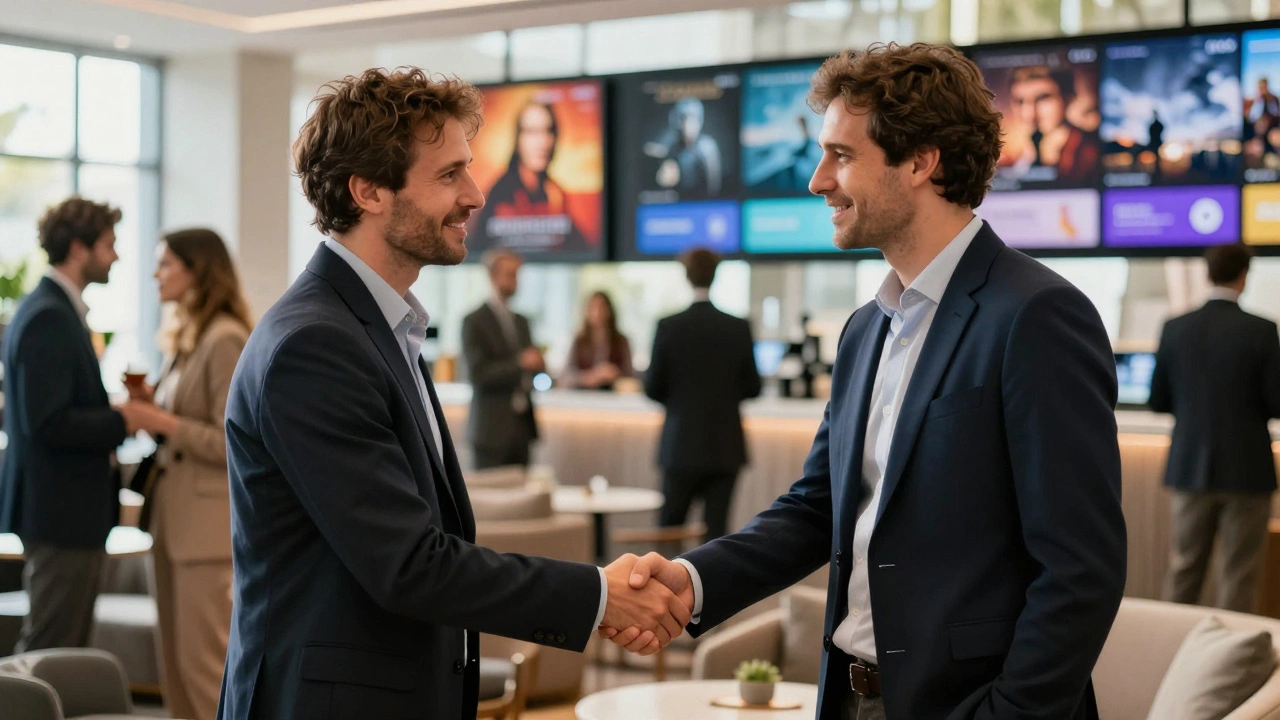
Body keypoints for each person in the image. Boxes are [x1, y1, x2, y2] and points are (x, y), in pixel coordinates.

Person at [606, 43, 1127, 720]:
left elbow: (1081, 573)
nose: (818, 180)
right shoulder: (865, 328)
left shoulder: (1037, 316)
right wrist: (690, 581)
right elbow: (817, 509)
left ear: (921, 161)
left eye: (842, 156)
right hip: (850, 701)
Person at [218, 68, 688, 720]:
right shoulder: (315, 345)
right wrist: (600, 594)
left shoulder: (376, 327)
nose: (474, 196)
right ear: (368, 191)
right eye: (448, 176)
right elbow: (410, 564)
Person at [115, 229, 251, 720]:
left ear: (198, 270)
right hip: (173, 525)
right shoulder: (189, 335)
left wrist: (162, 421)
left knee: (205, 672)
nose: (156, 274)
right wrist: (158, 414)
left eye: (166, 264)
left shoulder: (225, 338)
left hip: (206, 532)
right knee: (175, 672)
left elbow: (236, 442)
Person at [0, 196, 132, 654]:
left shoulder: (51, 309)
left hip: (62, 512)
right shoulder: (49, 316)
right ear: (79, 248)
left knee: (63, 649)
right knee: (49, 651)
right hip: (61, 514)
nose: (115, 256)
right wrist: (123, 420)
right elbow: (48, 422)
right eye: (109, 245)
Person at [1150, 243, 1280, 613]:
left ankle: (1171, 652)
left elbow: (1158, 401)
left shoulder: (1176, 328)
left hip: (1190, 466)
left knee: (1184, 568)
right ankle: (1230, 661)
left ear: (1207, 274)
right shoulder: (1262, 330)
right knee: (1239, 575)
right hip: (1248, 471)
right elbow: (1276, 402)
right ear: (1244, 276)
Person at [645, 249, 761, 542]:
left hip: (680, 443)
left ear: (686, 276)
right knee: (716, 534)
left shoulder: (669, 326)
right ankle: (708, 589)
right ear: (716, 275)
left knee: (669, 530)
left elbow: (651, 387)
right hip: (725, 446)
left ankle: (660, 588)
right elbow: (753, 387)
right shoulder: (737, 327)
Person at [470, 101, 588, 254]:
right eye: (531, 132)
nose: (542, 142)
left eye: (548, 131)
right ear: (518, 139)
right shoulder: (500, 195)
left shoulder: (556, 194)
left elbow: (580, 247)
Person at [462, 249, 543, 469]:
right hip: (490, 430)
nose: (515, 281)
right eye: (510, 274)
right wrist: (520, 364)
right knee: (490, 500)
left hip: (522, 428)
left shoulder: (522, 321)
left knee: (522, 498)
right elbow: (477, 374)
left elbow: (532, 371)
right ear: (493, 276)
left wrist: (539, 367)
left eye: (517, 275)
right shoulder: (474, 321)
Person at [1006, 65, 1101, 184]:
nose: (1029, 114)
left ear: (1068, 98)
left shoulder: (1089, 153)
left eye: (1042, 98)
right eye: (1020, 101)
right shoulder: (1016, 158)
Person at [562, 291, 634, 391]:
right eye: (594, 307)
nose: (598, 312)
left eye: (602, 307)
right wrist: (591, 376)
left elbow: (631, 376)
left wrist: (615, 375)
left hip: (614, 398)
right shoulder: (579, 341)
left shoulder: (621, 341)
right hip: (583, 397)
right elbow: (565, 377)